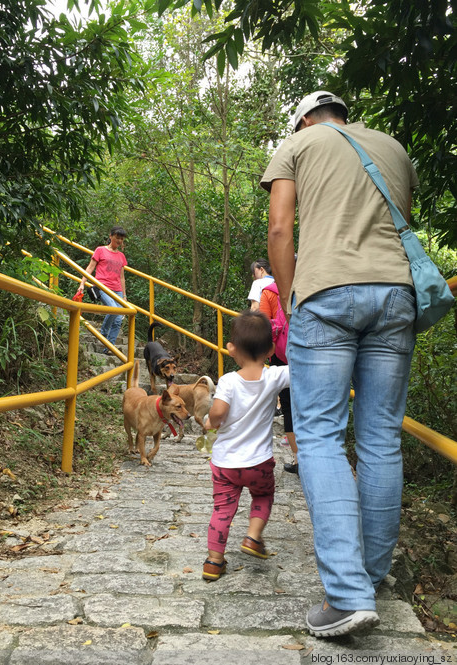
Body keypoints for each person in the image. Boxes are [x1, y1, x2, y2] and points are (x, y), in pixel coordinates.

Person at [261, 91, 418, 637]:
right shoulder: (394, 148)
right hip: (397, 296)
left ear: (305, 120)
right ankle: (369, 581)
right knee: (381, 439)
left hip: (325, 294)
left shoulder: (298, 143)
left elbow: (281, 229)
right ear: (343, 114)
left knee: (322, 435)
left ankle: (348, 594)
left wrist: (291, 296)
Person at [202, 310, 289, 582]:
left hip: (226, 464)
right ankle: (252, 537)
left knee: (222, 509)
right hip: (259, 462)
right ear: (271, 349)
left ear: (231, 348)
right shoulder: (276, 376)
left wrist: (209, 422)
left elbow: (217, 414)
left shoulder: (228, 381)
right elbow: (304, 368)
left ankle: (214, 562)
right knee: (263, 496)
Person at [259, 281, 298, 474]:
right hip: (312, 353)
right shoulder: (310, 284)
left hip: (282, 355)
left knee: (288, 405)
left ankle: (298, 459)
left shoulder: (270, 292)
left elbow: (263, 325)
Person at [77, 226, 128, 349]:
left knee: (118, 320)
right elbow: (90, 268)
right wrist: (82, 283)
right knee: (113, 309)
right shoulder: (100, 250)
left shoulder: (121, 256)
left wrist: (125, 296)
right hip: (102, 287)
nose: (119, 241)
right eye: (117, 237)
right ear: (110, 236)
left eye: (121, 239)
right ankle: (103, 334)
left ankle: (108, 347)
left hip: (117, 290)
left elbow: (122, 277)